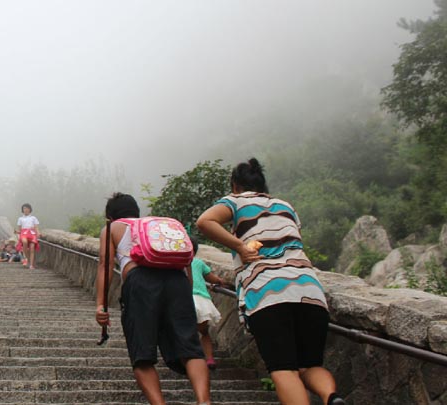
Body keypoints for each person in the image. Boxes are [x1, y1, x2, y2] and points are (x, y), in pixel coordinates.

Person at [196, 158, 345, 405]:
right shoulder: (286, 206)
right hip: (309, 290)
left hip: (268, 293)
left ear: (235, 185)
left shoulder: (235, 200)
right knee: (310, 366)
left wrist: (240, 246)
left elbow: (205, 221)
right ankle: (332, 397)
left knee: (283, 369)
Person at [95, 193, 211, 405]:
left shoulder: (114, 228)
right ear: (137, 211)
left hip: (140, 283)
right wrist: (187, 295)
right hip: (177, 281)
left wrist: (101, 305)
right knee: (191, 348)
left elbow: (105, 265)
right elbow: (187, 262)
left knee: (142, 354)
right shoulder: (158, 226)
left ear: (110, 217)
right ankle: (204, 402)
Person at [188, 237, 226, 370]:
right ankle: (209, 359)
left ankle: (190, 358)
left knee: (184, 330)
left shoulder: (176, 264)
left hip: (185, 300)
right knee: (204, 332)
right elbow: (212, 278)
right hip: (202, 301)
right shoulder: (198, 262)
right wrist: (219, 281)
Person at [16, 203, 40, 269]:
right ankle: (27, 258)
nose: (25, 210)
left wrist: (38, 233)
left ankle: (31, 265)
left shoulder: (33, 218)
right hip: (24, 233)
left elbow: (36, 227)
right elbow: (19, 230)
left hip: (32, 233)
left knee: (32, 248)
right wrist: (16, 232)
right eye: (24, 208)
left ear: (30, 209)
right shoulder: (20, 219)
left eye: (27, 208)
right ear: (22, 210)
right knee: (24, 242)